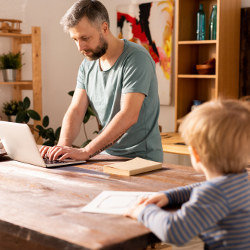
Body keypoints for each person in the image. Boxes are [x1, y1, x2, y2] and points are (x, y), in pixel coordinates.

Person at [40, 0, 163, 162]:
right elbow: (76, 111)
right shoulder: (87, 65)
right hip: (106, 156)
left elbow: (129, 115)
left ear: (104, 28)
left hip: (141, 159)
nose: (80, 47)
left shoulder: (136, 58)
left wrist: (86, 151)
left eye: (85, 38)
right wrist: (61, 148)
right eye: (75, 39)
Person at [125, 99, 250, 249]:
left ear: (196, 155)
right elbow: (204, 187)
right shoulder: (241, 179)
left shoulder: (214, 192)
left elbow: (173, 231)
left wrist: (143, 211)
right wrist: (170, 196)